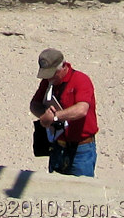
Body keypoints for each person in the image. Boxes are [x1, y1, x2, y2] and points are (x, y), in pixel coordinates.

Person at [29, 48, 99, 177]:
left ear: (63, 67)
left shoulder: (81, 80)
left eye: (52, 73)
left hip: (81, 149)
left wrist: (54, 117)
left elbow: (81, 109)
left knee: (82, 189)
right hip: (58, 146)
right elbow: (34, 104)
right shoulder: (47, 82)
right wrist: (44, 114)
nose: (49, 78)